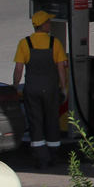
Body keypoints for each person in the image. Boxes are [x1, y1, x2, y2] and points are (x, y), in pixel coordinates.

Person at [13, 10, 69, 169]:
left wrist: (15, 88)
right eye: (48, 22)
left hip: (32, 89)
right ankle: (53, 157)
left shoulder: (24, 43)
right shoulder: (54, 43)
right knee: (51, 121)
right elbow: (61, 69)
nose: (49, 25)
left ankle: (41, 159)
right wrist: (63, 88)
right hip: (50, 89)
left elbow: (18, 69)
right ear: (44, 25)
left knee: (35, 122)